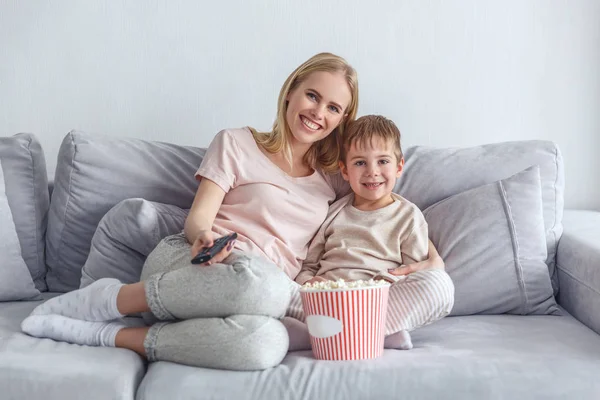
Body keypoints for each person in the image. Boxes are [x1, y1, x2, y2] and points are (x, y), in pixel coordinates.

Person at [21, 53, 443, 370]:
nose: (318, 112)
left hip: (264, 296)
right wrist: (203, 237)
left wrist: (430, 265)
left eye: (334, 108)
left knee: (265, 347)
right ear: (291, 90)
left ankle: (108, 335)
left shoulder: (335, 178)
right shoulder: (237, 143)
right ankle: (112, 298)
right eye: (313, 96)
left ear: (342, 119)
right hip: (195, 263)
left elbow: (379, 201)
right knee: (270, 290)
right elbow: (198, 220)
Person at [285, 115, 455, 350]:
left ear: (399, 167)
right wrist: (309, 283)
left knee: (439, 286)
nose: (372, 172)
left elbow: (413, 271)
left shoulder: (408, 216)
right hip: (329, 296)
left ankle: (331, 333)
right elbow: (308, 266)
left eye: (382, 161)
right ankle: (375, 334)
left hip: (377, 299)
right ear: (344, 170)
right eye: (360, 163)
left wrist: (384, 285)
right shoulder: (334, 212)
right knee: (279, 290)